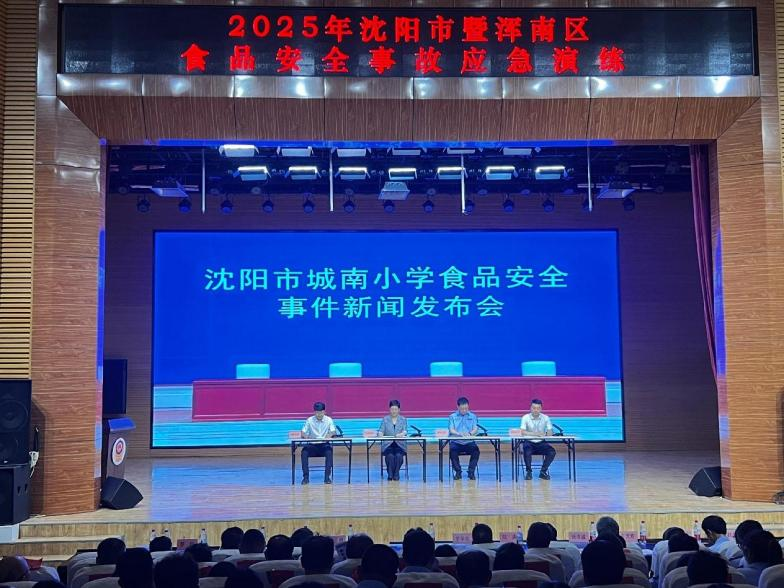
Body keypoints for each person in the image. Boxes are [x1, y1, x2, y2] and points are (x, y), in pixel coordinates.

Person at [300, 402, 337, 485]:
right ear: (314, 412)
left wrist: (329, 435)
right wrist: (307, 437)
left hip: (324, 445)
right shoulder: (309, 420)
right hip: (312, 445)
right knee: (304, 452)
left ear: (324, 412)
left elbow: (333, 431)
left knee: (329, 452)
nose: (319, 414)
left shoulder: (329, 420)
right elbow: (303, 432)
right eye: (317, 412)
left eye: (321, 412)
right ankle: (305, 478)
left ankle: (327, 478)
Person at [519, 399, 556, 480]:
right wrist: (536, 434)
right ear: (530, 408)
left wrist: (549, 432)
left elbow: (550, 431)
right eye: (534, 408)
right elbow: (522, 432)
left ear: (541, 409)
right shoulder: (525, 417)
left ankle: (543, 472)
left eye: (538, 408)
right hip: (529, 442)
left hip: (541, 442)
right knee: (527, 451)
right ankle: (529, 472)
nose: (536, 410)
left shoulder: (545, 418)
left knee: (552, 452)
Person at [448, 397, 480, 480]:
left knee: (476, 451)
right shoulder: (452, 416)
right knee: (452, 451)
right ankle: (458, 472)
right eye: (462, 409)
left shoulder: (473, 416)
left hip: (469, 442)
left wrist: (470, 434)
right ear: (458, 407)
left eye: (466, 408)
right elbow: (451, 429)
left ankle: (471, 472)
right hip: (456, 441)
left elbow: (475, 428)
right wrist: (458, 434)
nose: (464, 410)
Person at [377, 400, 408, 481]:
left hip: (400, 444)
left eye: (395, 409)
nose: (394, 411)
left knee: (398, 456)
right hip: (388, 444)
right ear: (389, 409)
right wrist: (380, 433)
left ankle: (396, 473)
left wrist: (402, 434)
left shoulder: (403, 419)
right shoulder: (385, 419)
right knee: (390, 456)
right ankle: (390, 474)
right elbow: (381, 431)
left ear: (399, 410)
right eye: (392, 409)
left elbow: (405, 431)